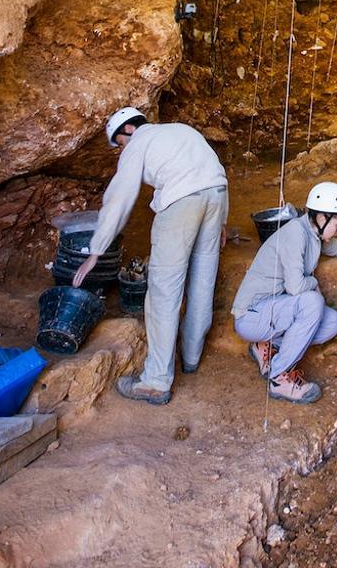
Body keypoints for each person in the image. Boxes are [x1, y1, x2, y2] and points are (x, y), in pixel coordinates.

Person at [73, 107, 228, 406]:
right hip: (216, 198)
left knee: (163, 291)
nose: (121, 149)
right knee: (202, 281)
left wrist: (97, 249)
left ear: (127, 131)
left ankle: (155, 382)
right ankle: (191, 357)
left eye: (118, 143)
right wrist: (222, 221)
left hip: (181, 202)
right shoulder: (181, 130)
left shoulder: (138, 143)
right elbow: (215, 171)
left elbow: (120, 196)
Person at [231, 181, 337, 405]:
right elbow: (296, 287)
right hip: (252, 316)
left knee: (332, 322)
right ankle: (279, 377)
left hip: (274, 311)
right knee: (312, 302)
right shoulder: (296, 233)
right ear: (321, 217)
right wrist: (314, 281)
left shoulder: (313, 235)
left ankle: (268, 345)